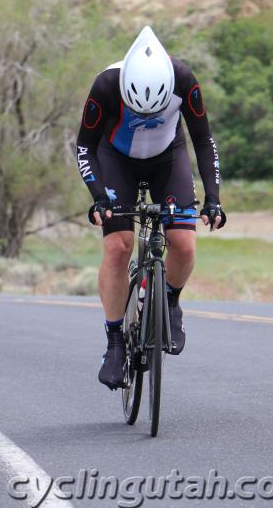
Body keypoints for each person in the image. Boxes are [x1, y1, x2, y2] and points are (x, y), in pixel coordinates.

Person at [76, 26, 227, 391]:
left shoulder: (184, 79)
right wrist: (98, 195)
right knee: (118, 247)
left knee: (184, 243)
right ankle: (114, 342)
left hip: (166, 158)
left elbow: (203, 139)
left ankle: (171, 303)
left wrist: (213, 198)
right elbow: (84, 146)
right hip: (116, 160)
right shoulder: (106, 85)